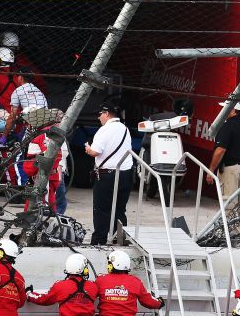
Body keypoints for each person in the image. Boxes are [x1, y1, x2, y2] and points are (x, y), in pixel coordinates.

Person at [84, 102, 133, 245]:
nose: (99, 118)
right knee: (119, 208)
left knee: (101, 209)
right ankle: (120, 237)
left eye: (99, 114)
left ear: (106, 114)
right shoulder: (125, 129)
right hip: (125, 174)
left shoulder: (104, 130)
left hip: (106, 175)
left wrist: (88, 148)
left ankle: (99, 240)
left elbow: (95, 152)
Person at [207, 100, 240, 243]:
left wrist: (211, 169)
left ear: (232, 110)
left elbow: (220, 150)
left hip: (231, 169)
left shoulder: (227, 126)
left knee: (229, 205)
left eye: (225, 109)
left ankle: (231, 237)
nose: (222, 112)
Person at [22, 107, 69, 214]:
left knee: (44, 210)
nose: (26, 125)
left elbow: (49, 158)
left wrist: (29, 169)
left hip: (44, 178)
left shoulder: (44, 135)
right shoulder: (48, 134)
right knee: (47, 207)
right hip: (47, 176)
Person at [26, 253, 98, 316]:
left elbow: (43, 299)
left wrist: (29, 294)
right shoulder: (93, 286)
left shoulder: (60, 286)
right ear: (84, 269)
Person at [95, 250, 164, 316]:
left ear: (111, 266)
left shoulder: (101, 280)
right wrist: (159, 303)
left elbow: (89, 294)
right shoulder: (135, 281)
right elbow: (147, 301)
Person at [3, 67, 49, 141]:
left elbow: (12, 116)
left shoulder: (18, 91)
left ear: (21, 78)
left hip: (34, 124)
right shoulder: (38, 90)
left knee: (20, 148)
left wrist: (4, 136)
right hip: (46, 121)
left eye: (17, 76)